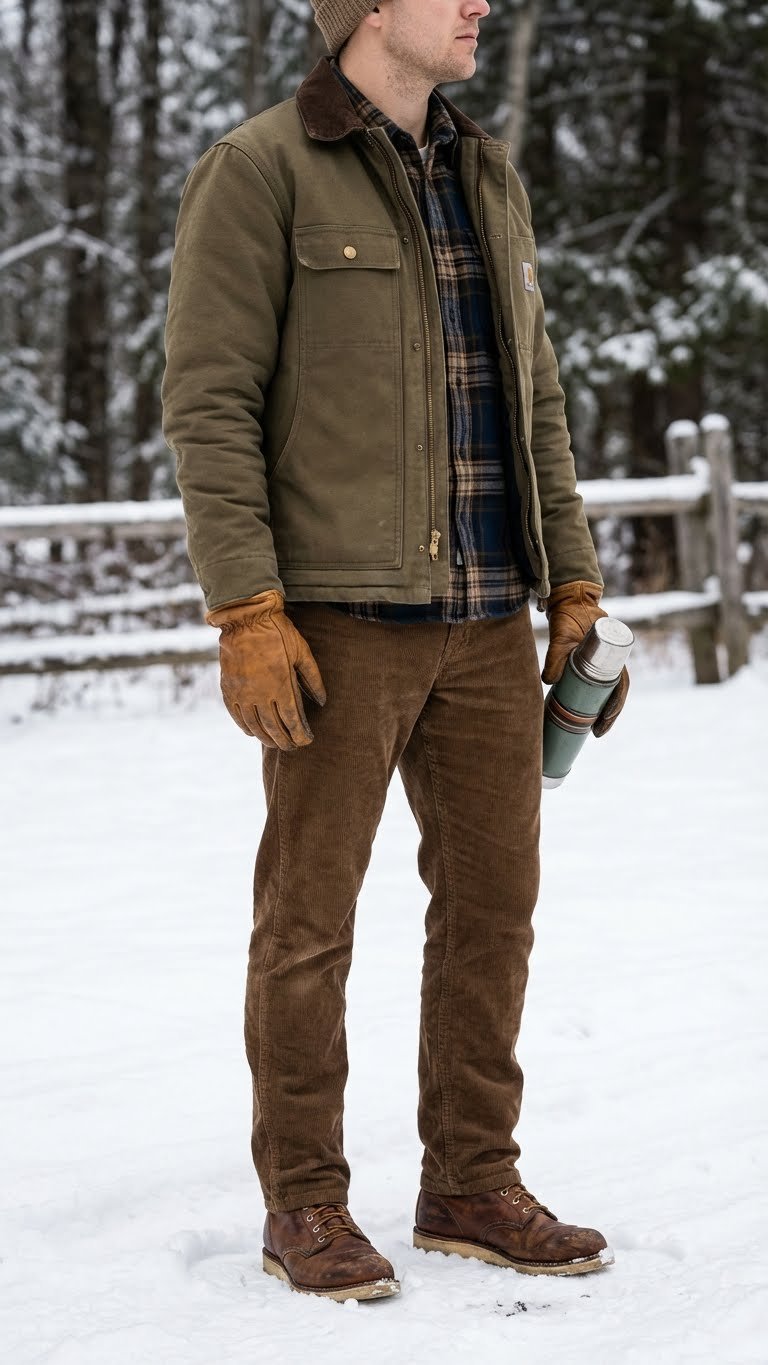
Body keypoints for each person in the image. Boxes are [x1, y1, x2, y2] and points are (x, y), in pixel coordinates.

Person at [161, 0, 629, 1304]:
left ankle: (471, 1179)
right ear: (368, 8)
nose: (480, 3)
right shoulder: (261, 169)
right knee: (307, 925)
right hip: (337, 623)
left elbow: (534, 391)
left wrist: (576, 585)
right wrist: (246, 609)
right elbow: (207, 399)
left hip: (489, 619)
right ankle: (304, 1202)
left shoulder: (488, 171)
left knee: (493, 911)